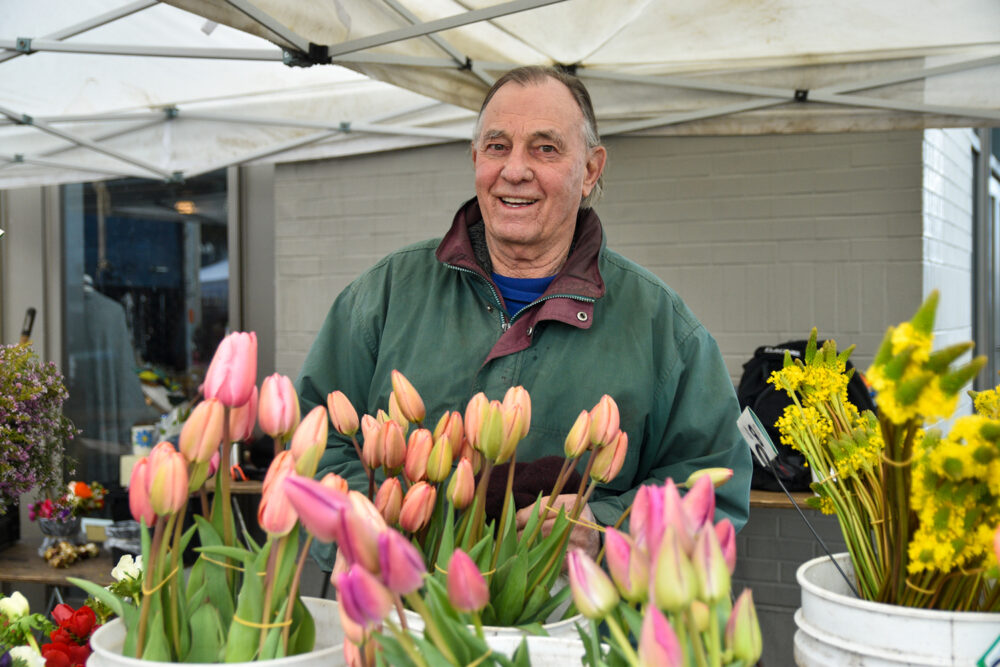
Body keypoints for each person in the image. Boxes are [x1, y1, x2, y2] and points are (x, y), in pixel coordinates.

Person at [297, 66, 752, 568]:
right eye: (496, 146)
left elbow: (712, 490)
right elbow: (315, 439)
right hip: (405, 622)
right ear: (475, 159)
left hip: (576, 631)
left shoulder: (662, 328)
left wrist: (602, 531)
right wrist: (364, 526)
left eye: (545, 148)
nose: (514, 170)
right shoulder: (386, 295)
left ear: (592, 170)